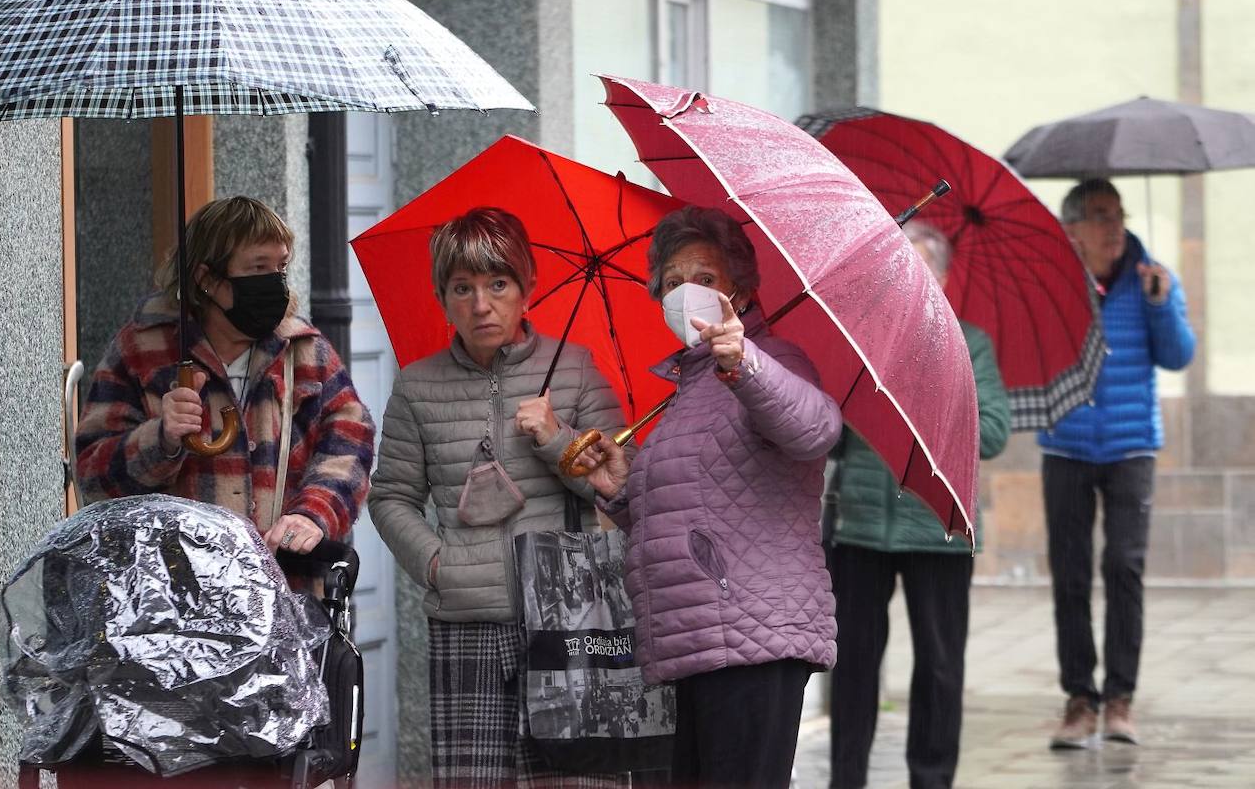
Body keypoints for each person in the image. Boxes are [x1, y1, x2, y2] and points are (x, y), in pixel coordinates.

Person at [574, 205, 843, 789]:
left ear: (740, 292)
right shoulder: (690, 387)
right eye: (672, 282)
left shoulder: (774, 360)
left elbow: (816, 429)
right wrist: (621, 488)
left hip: (754, 636)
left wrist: (744, 362)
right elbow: (694, 503)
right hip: (700, 638)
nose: (685, 293)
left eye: (705, 279)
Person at [366, 207, 625, 787]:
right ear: (442, 297)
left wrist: (555, 440)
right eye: (463, 288)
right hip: (467, 624)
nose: (481, 304)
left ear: (528, 287)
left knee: (576, 781)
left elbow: (622, 489)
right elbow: (391, 498)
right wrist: (438, 565)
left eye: (497, 284)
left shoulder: (577, 371)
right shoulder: (417, 386)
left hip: (570, 619)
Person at [77, 196, 375, 560]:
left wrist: (313, 513)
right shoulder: (141, 351)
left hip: (283, 592)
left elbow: (351, 439)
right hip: (175, 597)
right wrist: (161, 437)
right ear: (207, 279)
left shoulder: (303, 351)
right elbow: (93, 475)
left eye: (280, 268)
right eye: (257, 268)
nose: (274, 283)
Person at [826, 221, 1011, 789]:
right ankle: (846, 778)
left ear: (943, 277)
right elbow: (826, 433)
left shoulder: (970, 343)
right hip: (858, 526)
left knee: (938, 664)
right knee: (854, 664)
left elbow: (996, 433)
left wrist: (931, 385)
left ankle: (932, 779)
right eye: (897, 266)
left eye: (920, 266)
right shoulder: (859, 339)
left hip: (938, 525)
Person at [1039, 178, 1195, 748]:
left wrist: (1160, 303)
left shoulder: (1150, 275)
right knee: (1071, 574)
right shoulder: (1053, 277)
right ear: (1073, 229)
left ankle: (1120, 699)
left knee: (1124, 568)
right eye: (1101, 216)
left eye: (1118, 214)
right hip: (1067, 443)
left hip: (1131, 447)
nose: (1115, 227)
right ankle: (1080, 699)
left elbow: (1179, 355)